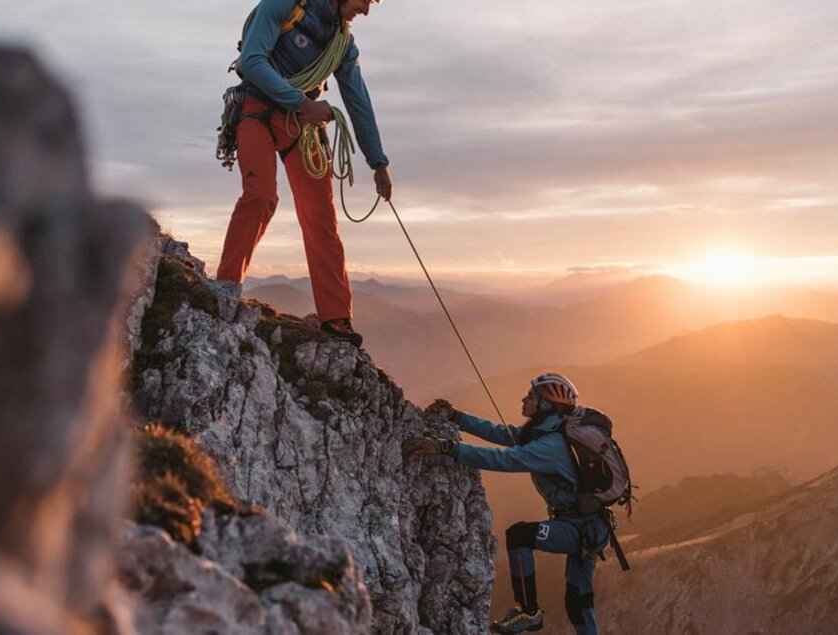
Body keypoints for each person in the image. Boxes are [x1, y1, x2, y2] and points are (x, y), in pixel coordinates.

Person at [214, 0, 392, 346]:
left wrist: (378, 162)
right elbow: (252, 61)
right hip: (258, 109)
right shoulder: (283, 5)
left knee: (320, 215)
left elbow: (358, 99)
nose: (366, 11)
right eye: (364, 0)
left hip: (300, 122)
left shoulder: (342, 42)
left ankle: (335, 318)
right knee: (261, 196)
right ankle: (225, 288)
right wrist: (304, 103)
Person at [403, 373, 611, 635]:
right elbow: (506, 434)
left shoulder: (550, 445)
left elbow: (504, 459)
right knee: (578, 603)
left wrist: (449, 449)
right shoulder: (548, 433)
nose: (524, 399)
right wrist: (459, 418)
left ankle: (528, 612)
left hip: (580, 529)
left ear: (547, 405)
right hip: (588, 526)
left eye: (532, 396)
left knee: (519, 535)